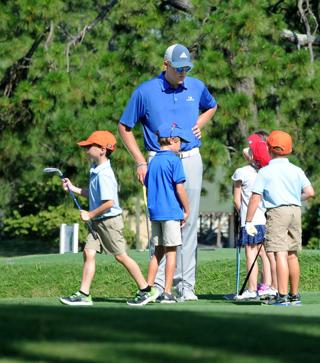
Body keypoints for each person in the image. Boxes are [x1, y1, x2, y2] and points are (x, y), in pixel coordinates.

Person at [118, 43, 217, 301]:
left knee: (188, 220)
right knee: (161, 222)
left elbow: (212, 106)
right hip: (158, 160)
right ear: (166, 65)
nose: (183, 72)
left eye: (187, 68)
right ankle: (159, 286)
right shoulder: (146, 91)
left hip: (190, 158)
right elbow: (124, 126)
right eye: (178, 68)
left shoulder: (195, 86)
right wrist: (140, 161)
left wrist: (199, 124)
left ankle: (186, 286)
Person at [59, 131, 151, 306]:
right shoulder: (95, 170)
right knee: (88, 252)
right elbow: (94, 196)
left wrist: (90, 214)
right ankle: (84, 294)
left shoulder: (105, 174)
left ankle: (145, 289)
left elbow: (109, 203)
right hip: (98, 221)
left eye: (89, 147)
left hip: (109, 222)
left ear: (102, 150)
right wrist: (74, 189)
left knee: (121, 256)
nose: (86, 150)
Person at [245, 131, 315, 306]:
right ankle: (294, 295)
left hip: (277, 212)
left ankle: (282, 296)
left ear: (268, 148)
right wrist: (293, 199)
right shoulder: (296, 170)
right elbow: (310, 192)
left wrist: (248, 221)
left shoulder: (266, 171)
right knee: (292, 254)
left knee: (280, 253)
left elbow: (255, 197)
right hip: (295, 211)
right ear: (289, 150)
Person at [129, 123, 191, 305]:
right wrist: (186, 210)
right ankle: (167, 292)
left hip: (155, 213)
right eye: (180, 141)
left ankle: (147, 288)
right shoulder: (174, 160)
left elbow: (147, 185)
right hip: (171, 211)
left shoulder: (153, 160)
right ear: (173, 140)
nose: (181, 145)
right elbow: (180, 189)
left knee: (157, 252)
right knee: (171, 252)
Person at [231, 133, 275, 300]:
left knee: (250, 253)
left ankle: (251, 289)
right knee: (263, 254)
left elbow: (236, 200)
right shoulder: (266, 173)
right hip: (263, 220)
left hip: (249, 220)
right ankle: (268, 287)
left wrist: (241, 213)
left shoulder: (241, 172)